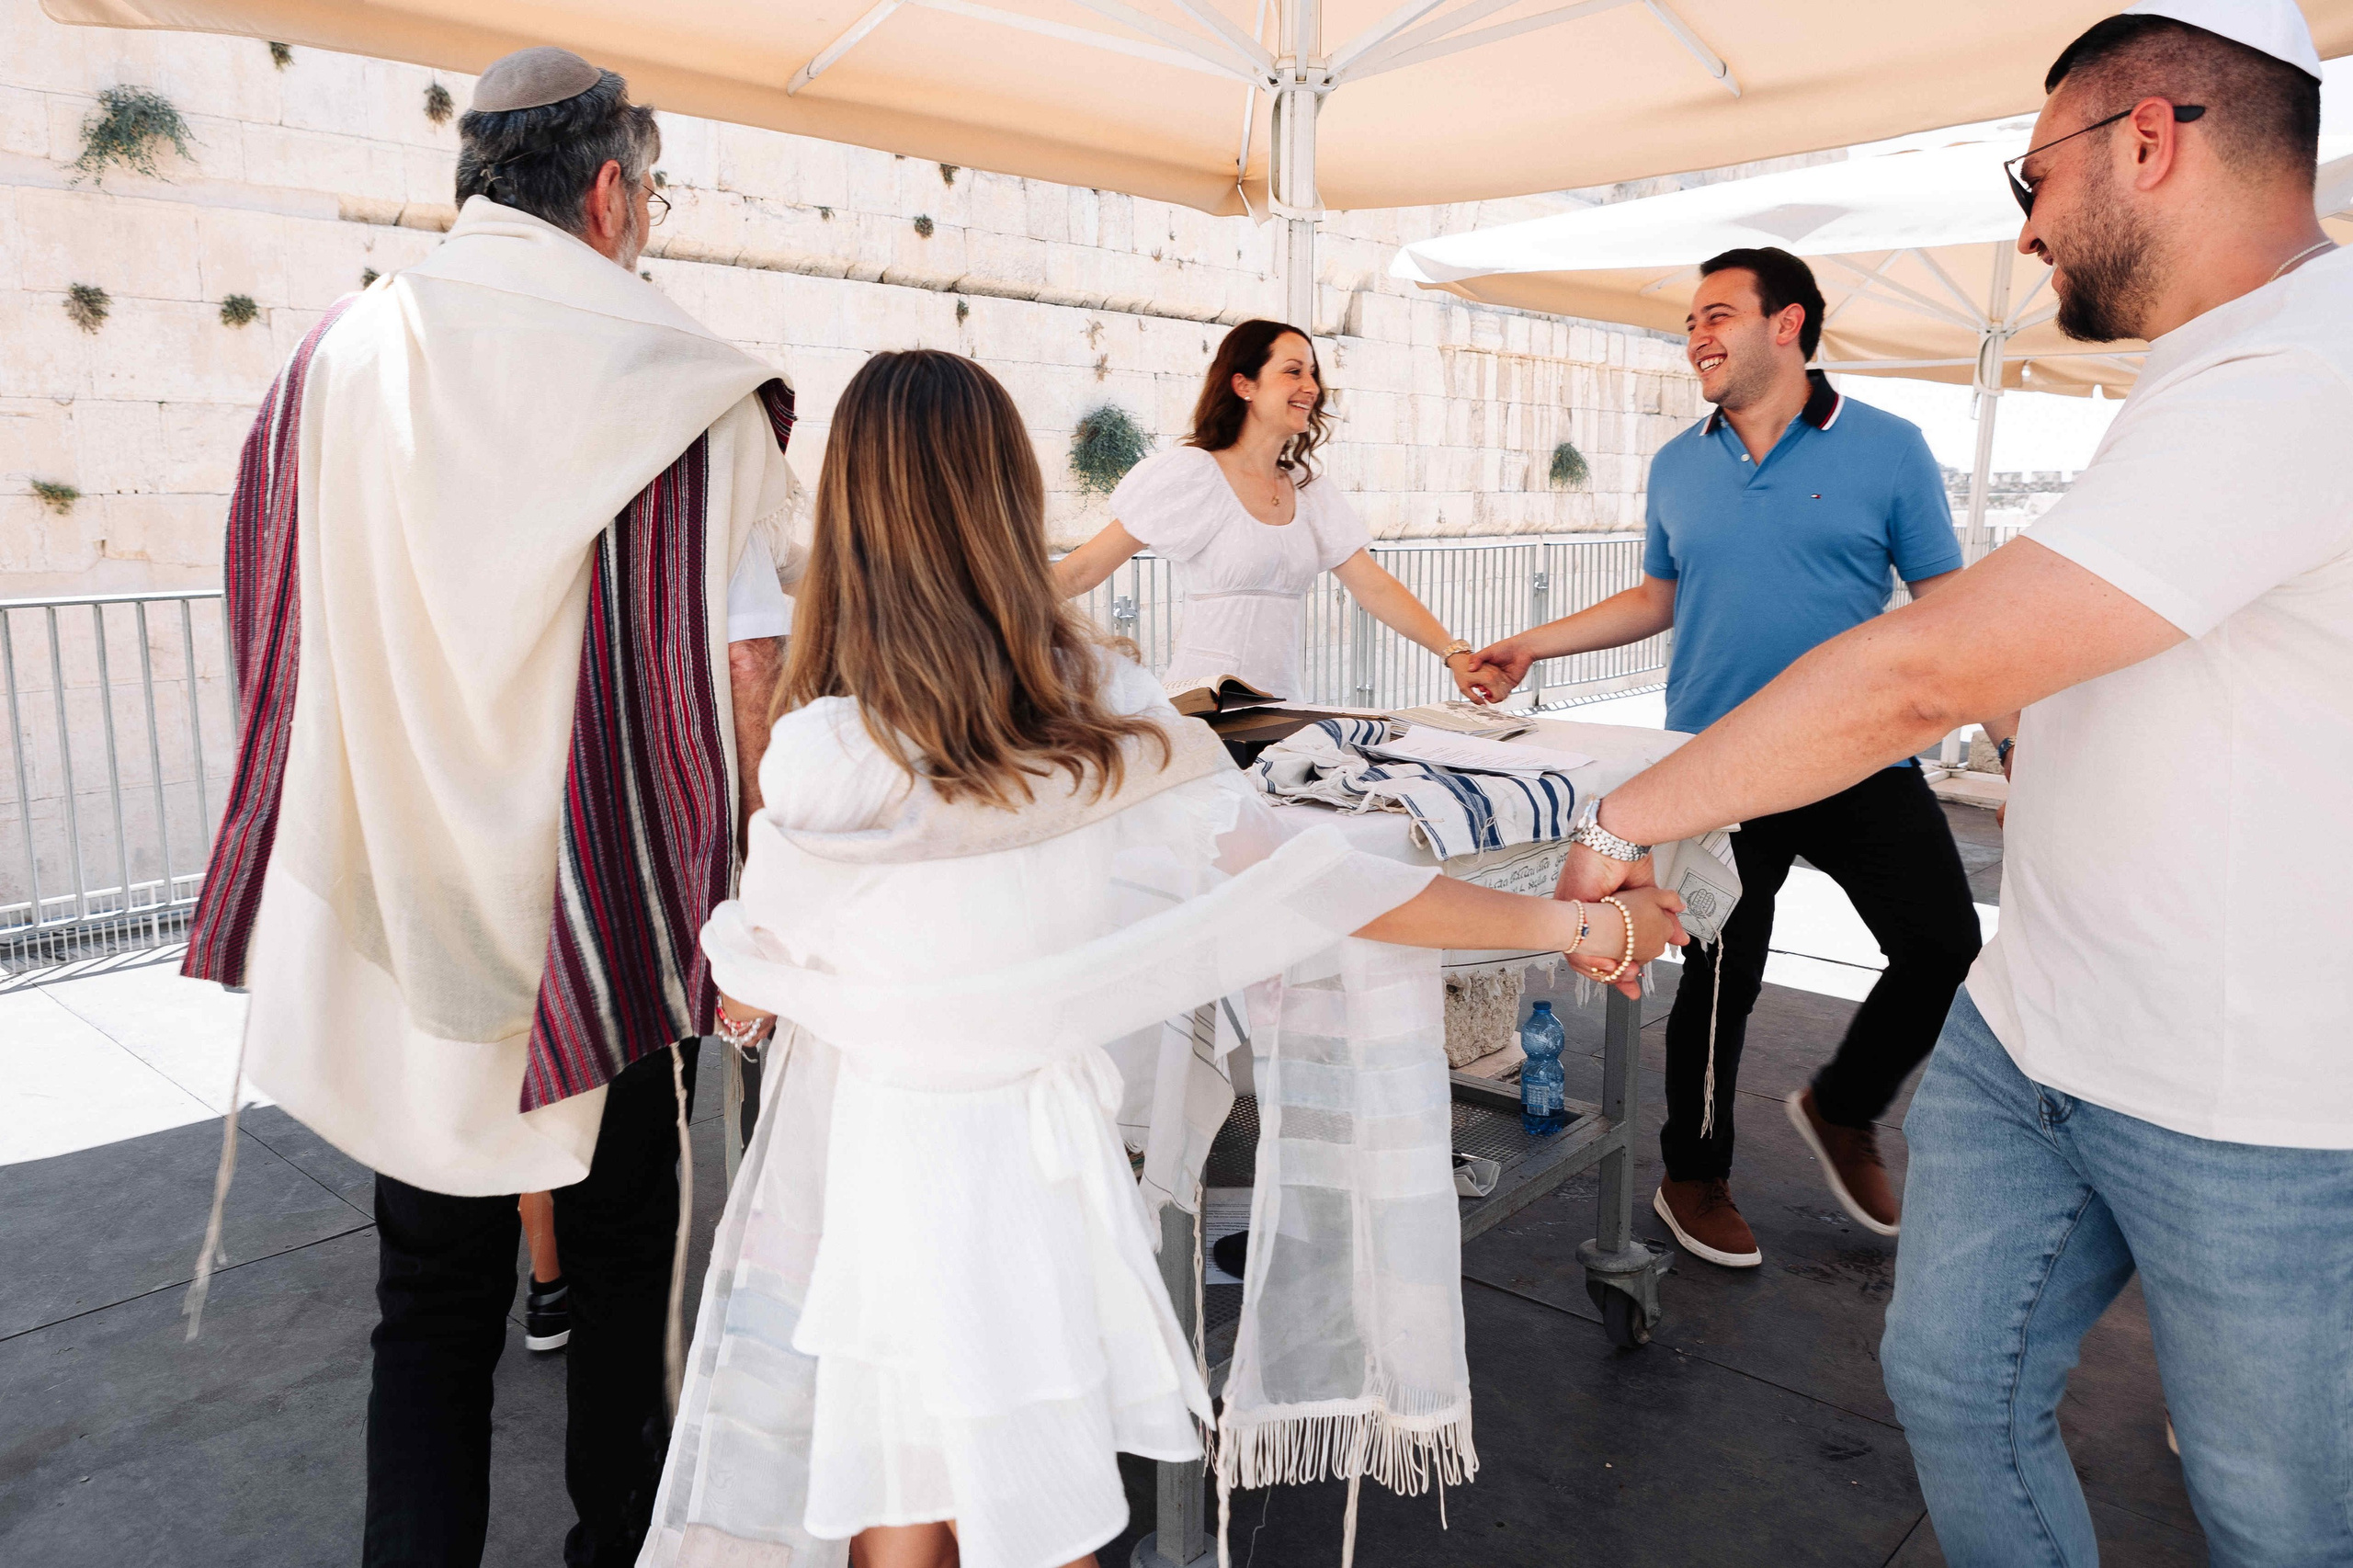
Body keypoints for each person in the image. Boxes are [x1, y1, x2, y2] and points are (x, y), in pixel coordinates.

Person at [639, 349, 1687, 1568]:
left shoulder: (823, 752)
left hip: (889, 1175)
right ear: (1007, 502)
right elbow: (1320, 884)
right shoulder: (1111, 711)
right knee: (1048, 1503)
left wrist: (771, 985)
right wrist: (1579, 924)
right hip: (1037, 1170)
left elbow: (752, 978)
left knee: (902, 1496)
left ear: (853, 517)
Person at [1548, 0, 2352, 1559]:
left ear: (2147, 137)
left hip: (2243, 1094)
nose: (2032, 227)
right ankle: (1706, 1168)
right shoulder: (2206, 372)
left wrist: (1622, 820)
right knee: (1951, 1385)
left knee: (2276, 1514)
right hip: (2042, 1025)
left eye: (2032, 176)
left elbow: (1930, 657)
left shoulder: (2308, 373)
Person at [177, 48, 800, 1568]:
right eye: (645, 196)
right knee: (624, 1305)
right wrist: (753, 917)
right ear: (607, 193)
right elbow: (749, 670)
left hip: (411, 920)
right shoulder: (681, 383)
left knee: (431, 1308)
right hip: (610, 929)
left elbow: (271, 602)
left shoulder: (337, 357)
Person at [1475, 247, 1982, 1267]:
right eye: (1690, 322)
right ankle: (1692, 1172)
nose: (1695, 337)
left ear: (1786, 324)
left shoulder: (1888, 448)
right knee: (1716, 978)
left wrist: (2015, 737)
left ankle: (1842, 1107)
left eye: (1716, 314)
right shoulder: (1676, 462)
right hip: (1713, 765)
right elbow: (1658, 597)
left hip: (1857, 759)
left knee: (1942, 942)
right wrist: (1533, 643)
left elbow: (1949, 608)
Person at [1054, 319, 1504, 702]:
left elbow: (1375, 588)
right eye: (1293, 371)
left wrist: (1454, 654)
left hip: (1284, 705)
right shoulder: (1193, 474)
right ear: (1243, 384)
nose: (1310, 387)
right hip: (1204, 708)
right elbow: (1081, 571)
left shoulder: (1309, 491)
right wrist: (990, 613)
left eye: (1312, 372)